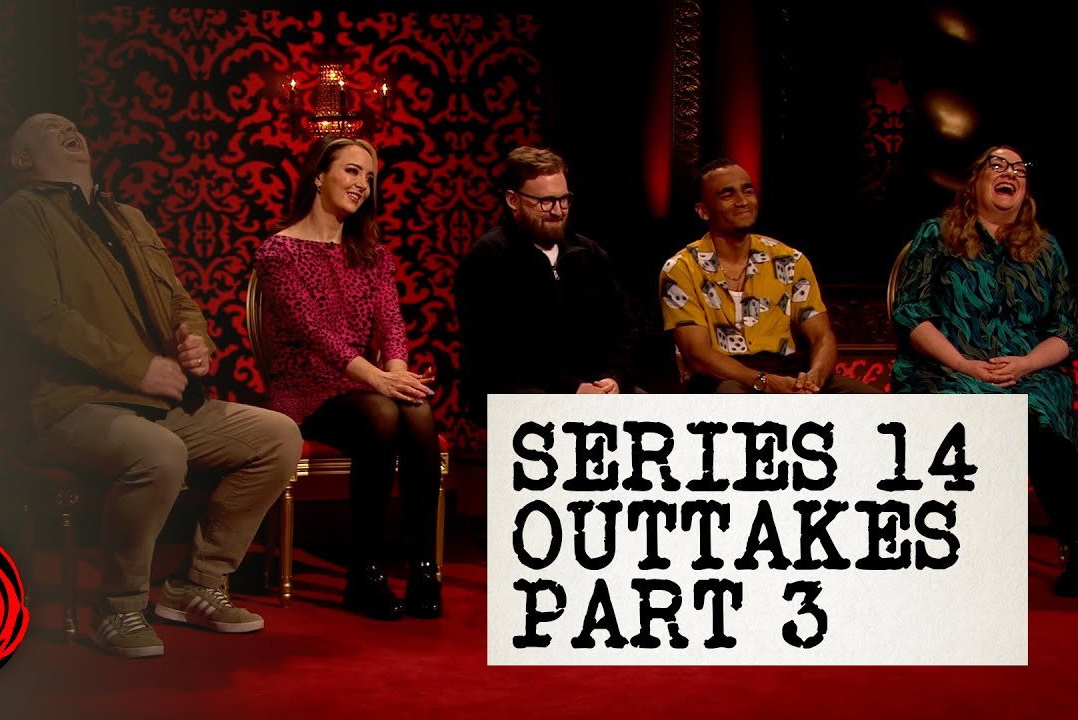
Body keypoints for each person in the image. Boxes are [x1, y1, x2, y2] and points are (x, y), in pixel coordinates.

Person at [0, 113, 302, 657]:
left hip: (157, 402)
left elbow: (179, 299)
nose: (69, 129)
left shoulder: (128, 217)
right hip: (71, 405)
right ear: (21, 159)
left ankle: (196, 585)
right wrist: (137, 368)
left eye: (73, 125)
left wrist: (197, 340)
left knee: (278, 436)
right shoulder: (21, 215)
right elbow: (42, 318)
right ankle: (118, 608)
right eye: (50, 128)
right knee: (159, 451)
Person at [254, 137, 443, 620]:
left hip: (361, 386)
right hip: (304, 390)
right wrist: (379, 380)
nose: (362, 184)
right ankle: (365, 576)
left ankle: (424, 571)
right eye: (353, 171)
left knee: (417, 409)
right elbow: (312, 332)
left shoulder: (372, 253)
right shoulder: (279, 251)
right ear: (319, 176)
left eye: (370, 177)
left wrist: (397, 372)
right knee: (382, 413)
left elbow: (391, 324)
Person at [891, 145, 1077, 596]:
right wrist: (964, 364)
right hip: (948, 366)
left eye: (1019, 168)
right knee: (975, 407)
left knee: (1040, 413)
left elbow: (1066, 330)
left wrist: (1026, 363)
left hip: (1028, 371)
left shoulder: (1046, 248)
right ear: (974, 181)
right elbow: (911, 314)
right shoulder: (938, 235)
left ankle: (1075, 543)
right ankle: (955, 551)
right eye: (998, 164)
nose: (1010, 171)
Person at [660, 158, 878, 394]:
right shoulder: (681, 269)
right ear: (703, 211)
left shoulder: (789, 259)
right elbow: (697, 354)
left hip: (787, 371)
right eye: (728, 195)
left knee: (869, 399)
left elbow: (821, 335)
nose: (743, 201)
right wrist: (765, 382)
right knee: (732, 395)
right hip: (722, 378)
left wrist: (815, 376)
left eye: (748, 191)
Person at [455, 146, 631, 424]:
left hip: (592, 385)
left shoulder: (590, 254)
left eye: (564, 200)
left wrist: (613, 377)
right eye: (546, 202)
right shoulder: (488, 257)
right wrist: (572, 388)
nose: (558, 211)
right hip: (515, 388)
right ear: (513, 200)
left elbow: (620, 327)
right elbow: (496, 348)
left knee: (646, 408)